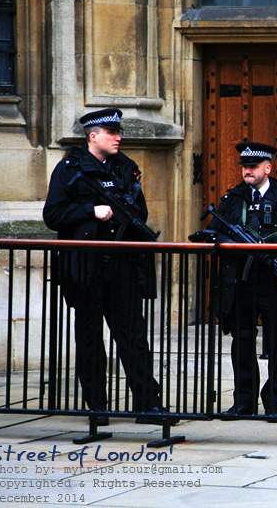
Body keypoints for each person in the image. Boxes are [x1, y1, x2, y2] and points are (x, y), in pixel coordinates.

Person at [43, 108, 168, 425]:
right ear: (92, 136)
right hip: (86, 266)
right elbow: (53, 215)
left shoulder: (126, 168)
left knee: (134, 336)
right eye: (112, 133)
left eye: (118, 132)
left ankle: (146, 404)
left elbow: (140, 212)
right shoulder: (70, 169)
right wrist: (90, 210)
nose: (118, 137)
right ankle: (97, 406)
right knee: (89, 338)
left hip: (122, 265)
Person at [210, 141, 277, 419]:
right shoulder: (233, 199)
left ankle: (273, 403)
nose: (247, 171)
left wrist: (275, 253)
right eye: (244, 166)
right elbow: (211, 233)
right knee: (242, 341)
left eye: (253, 167)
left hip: (274, 282)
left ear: (267, 168)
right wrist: (232, 244)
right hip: (241, 282)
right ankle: (243, 402)